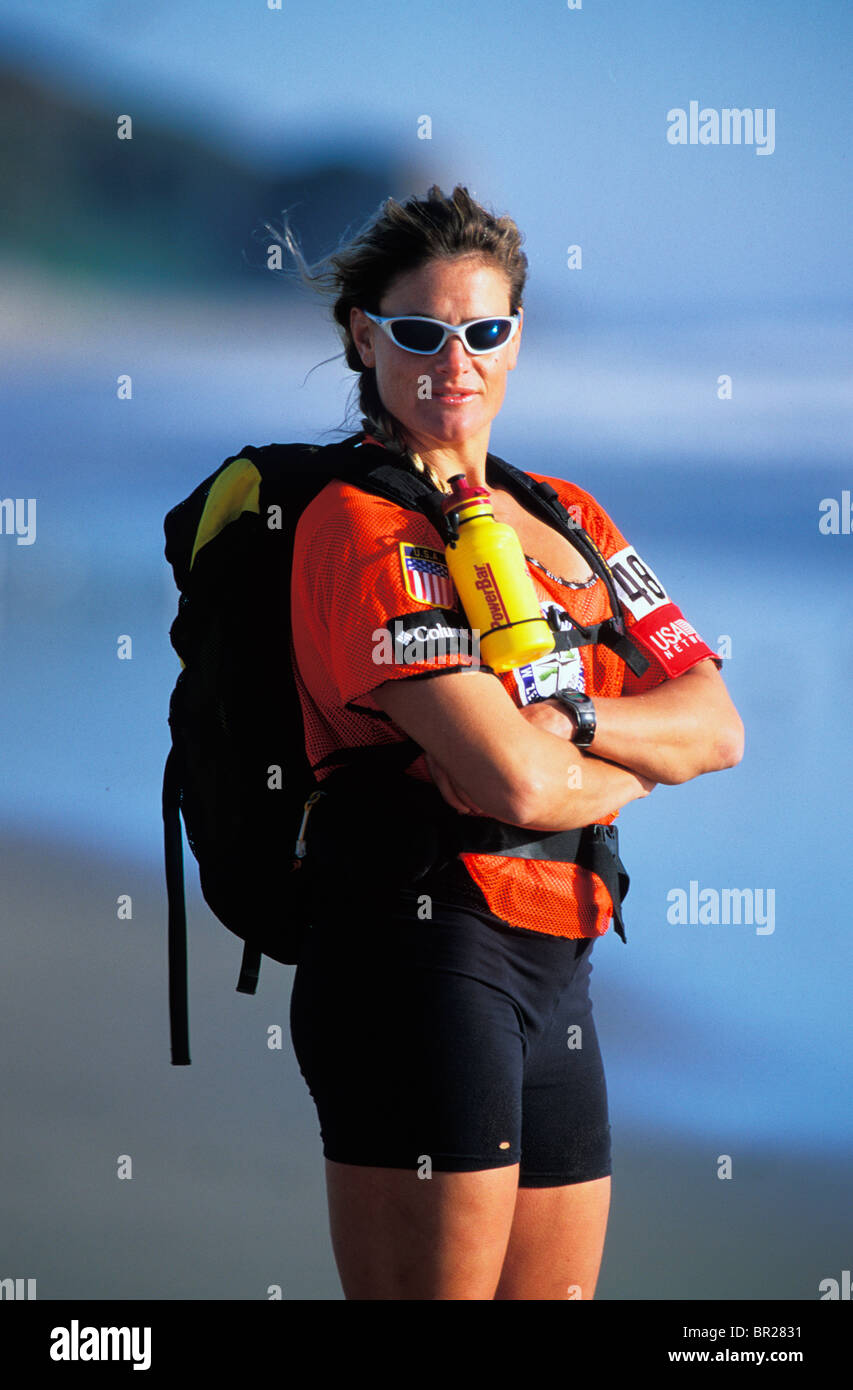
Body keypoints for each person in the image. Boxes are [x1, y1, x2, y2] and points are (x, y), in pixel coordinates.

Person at [283, 184, 744, 1300]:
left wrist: (579, 724)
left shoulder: (574, 516)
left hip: (562, 964)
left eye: (484, 331)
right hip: (418, 958)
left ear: (517, 336)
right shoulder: (361, 525)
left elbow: (718, 728)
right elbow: (512, 779)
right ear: (363, 334)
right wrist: (627, 766)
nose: (456, 361)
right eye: (420, 333)